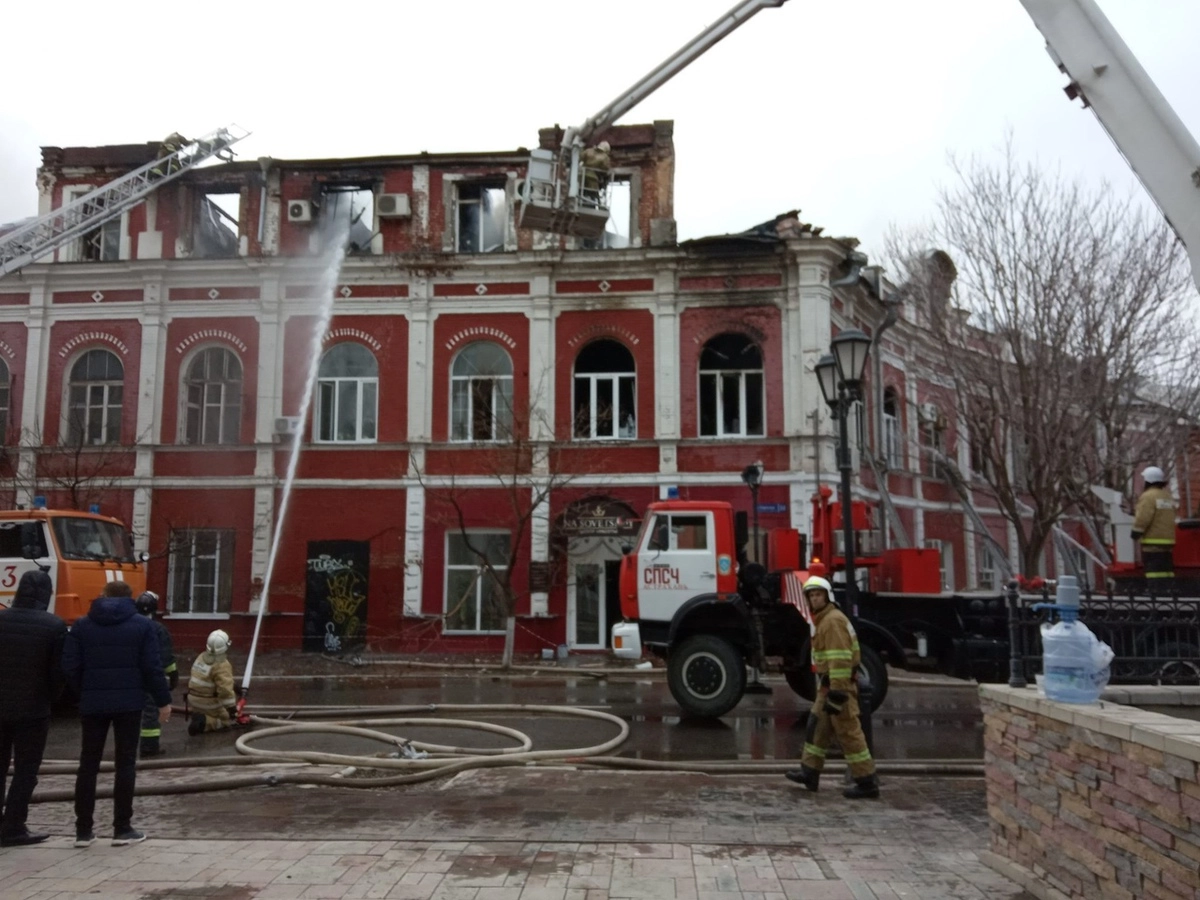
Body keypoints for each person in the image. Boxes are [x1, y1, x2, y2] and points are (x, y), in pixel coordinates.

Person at [62, 580, 171, 848]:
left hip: (93, 703)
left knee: (88, 764)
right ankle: (122, 828)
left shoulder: (82, 625)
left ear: (103, 596)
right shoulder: (143, 626)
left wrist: (84, 691)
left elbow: (69, 666)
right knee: (125, 765)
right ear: (130, 599)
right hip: (129, 704)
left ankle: (83, 831)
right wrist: (163, 701)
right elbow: (152, 667)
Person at [784, 575, 879, 799]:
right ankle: (809, 773)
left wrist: (838, 692)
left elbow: (840, 659)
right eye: (812, 596)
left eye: (818, 595)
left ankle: (866, 782)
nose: (815, 599)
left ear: (827, 597)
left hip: (839, 688)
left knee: (849, 733)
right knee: (817, 728)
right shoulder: (823, 620)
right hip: (829, 687)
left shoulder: (832, 621)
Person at [0, 571, 67, 847]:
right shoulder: (54, 626)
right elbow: (58, 673)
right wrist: (51, 698)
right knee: (26, 771)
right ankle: (14, 826)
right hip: (33, 710)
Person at [135, 591, 177, 758]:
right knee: (151, 712)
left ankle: (127, 747)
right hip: (150, 677)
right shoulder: (157, 629)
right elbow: (165, 655)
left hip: (131, 677)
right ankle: (149, 747)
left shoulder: (129, 624)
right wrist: (173, 674)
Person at [1132, 465, 1178, 592]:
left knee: (1153, 570)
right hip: (1168, 541)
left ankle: (1155, 591)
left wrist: (1136, 531)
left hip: (1152, 540)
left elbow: (1143, 517)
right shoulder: (1167, 496)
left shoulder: (1148, 497)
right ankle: (1168, 591)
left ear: (1148, 480)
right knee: (1166, 569)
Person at [187, 630, 237, 735]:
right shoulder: (222, 664)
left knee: (214, 711)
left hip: (192, 700)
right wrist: (232, 709)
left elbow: (209, 678)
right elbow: (225, 691)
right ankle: (205, 723)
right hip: (208, 703)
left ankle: (201, 716)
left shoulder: (201, 657)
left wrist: (234, 685)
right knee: (226, 720)